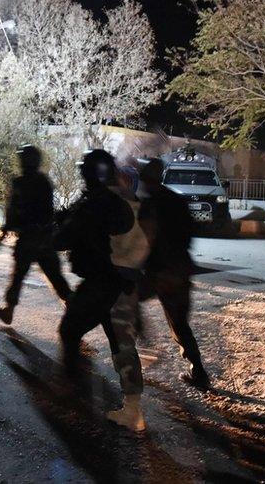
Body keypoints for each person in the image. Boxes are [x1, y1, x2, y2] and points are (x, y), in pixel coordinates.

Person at [53, 149, 134, 376]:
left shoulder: (93, 205)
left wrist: (56, 229)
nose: (82, 174)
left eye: (85, 170)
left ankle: (78, 395)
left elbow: (62, 239)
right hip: (115, 281)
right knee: (117, 340)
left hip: (101, 281)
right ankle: (127, 392)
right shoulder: (111, 201)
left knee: (69, 331)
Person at [137, 157, 210, 389]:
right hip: (180, 270)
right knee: (180, 324)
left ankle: (143, 345)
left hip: (160, 272)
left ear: (146, 180)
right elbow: (191, 232)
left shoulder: (148, 205)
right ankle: (198, 371)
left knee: (124, 298)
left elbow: (144, 240)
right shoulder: (177, 201)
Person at [0, 145, 73, 325]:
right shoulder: (44, 182)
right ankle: (74, 311)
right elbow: (48, 212)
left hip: (29, 239)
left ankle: (9, 311)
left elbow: (12, 213)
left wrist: (2, 236)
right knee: (55, 277)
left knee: (18, 276)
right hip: (44, 239)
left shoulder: (20, 183)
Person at [103, 163, 152, 432]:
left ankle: (133, 409)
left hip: (121, 284)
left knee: (123, 343)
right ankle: (131, 405)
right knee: (121, 340)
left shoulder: (126, 213)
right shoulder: (134, 209)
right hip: (124, 282)